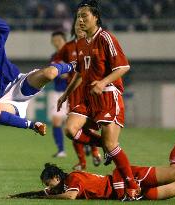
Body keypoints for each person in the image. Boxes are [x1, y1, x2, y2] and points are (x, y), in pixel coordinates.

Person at [57, 0, 139, 199]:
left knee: (112, 145)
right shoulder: (83, 42)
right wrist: (66, 94)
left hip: (109, 94)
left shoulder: (106, 38)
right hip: (88, 97)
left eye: (84, 15)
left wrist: (102, 83)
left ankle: (132, 186)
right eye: (78, 16)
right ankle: (106, 146)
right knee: (70, 129)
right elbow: (79, 73)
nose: (81, 20)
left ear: (96, 17)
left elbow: (123, 67)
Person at [8, 122, 175, 201]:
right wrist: (17, 196)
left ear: (57, 178)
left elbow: (70, 197)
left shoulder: (72, 180)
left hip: (125, 180)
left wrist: (46, 198)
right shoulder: (61, 186)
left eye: (48, 183)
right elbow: (39, 193)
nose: (47, 187)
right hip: (122, 193)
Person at [56, 17, 101, 170]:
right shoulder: (69, 47)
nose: (79, 27)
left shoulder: (96, 43)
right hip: (75, 91)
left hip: (92, 91)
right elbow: (56, 62)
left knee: (85, 126)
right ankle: (84, 161)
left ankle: (97, 149)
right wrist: (61, 70)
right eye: (76, 24)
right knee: (74, 127)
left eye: (82, 24)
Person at [49, 31, 68, 157]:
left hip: (72, 92)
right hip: (58, 93)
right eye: (54, 41)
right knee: (56, 121)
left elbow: (69, 74)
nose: (56, 43)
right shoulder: (53, 57)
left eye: (59, 40)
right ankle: (61, 150)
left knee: (76, 125)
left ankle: (89, 146)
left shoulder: (71, 54)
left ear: (64, 40)